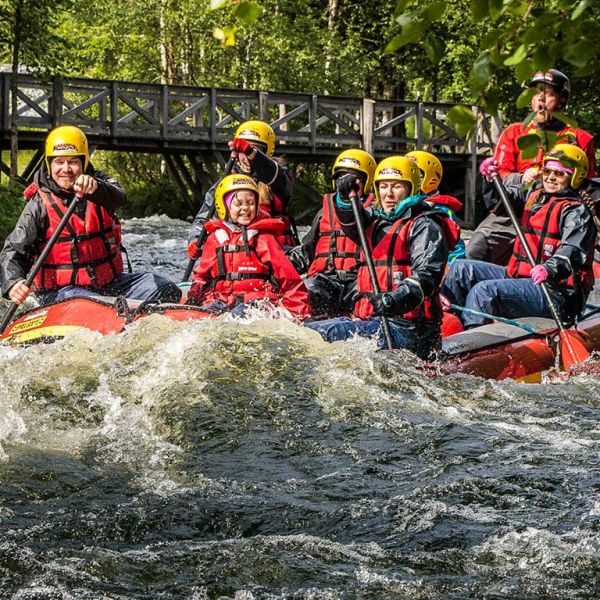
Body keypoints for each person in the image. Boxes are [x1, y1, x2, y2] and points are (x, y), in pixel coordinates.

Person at [0, 125, 181, 306]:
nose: (66, 169)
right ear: (49, 164)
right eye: (59, 162)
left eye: (73, 162)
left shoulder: (101, 186)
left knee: (166, 288)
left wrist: (96, 188)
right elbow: (13, 249)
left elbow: (119, 198)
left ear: (84, 162)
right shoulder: (38, 204)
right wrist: (13, 282)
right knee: (86, 303)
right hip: (63, 293)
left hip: (111, 285)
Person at [304, 156, 460, 359]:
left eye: (396, 186)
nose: (389, 194)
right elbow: (351, 220)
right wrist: (343, 197)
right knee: (306, 329)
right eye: (384, 187)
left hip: (411, 330)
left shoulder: (424, 225)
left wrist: (394, 299)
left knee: (325, 333)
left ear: (411, 188)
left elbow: (427, 275)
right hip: (376, 323)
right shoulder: (375, 221)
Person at [441, 144, 595, 328]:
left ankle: (469, 346)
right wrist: (490, 180)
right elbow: (499, 203)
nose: (551, 178)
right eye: (547, 171)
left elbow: (573, 251)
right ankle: (445, 328)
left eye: (559, 173)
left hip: (557, 292)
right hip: (520, 277)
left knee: (483, 291)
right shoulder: (535, 194)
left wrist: (549, 269)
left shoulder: (576, 211)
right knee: (461, 269)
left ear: (575, 176)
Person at [468, 68, 597, 265]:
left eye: (549, 94)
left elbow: (588, 187)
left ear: (562, 101)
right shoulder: (513, 132)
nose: (541, 100)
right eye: (537, 93)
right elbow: (501, 174)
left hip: (559, 212)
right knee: (475, 247)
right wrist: (521, 178)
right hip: (515, 211)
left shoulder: (581, 139)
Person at [186, 174, 310, 319]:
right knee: (208, 316)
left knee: (236, 316)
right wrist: (192, 301)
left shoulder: (263, 238)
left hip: (256, 304)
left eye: (250, 203)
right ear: (224, 206)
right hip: (221, 301)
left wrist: (300, 313)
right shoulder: (216, 239)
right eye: (238, 204)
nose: (245, 208)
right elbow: (201, 277)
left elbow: (288, 278)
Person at [187, 120, 296, 262]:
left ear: (267, 151)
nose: (245, 158)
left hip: (275, 252)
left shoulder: (279, 176)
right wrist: (195, 240)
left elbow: (276, 176)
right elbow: (205, 217)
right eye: (242, 151)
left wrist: (253, 153)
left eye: (255, 149)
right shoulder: (227, 181)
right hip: (237, 253)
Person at [287, 148, 376, 316]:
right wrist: (282, 265)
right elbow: (308, 249)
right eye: (341, 178)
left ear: (367, 181)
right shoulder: (325, 211)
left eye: (353, 179)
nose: (346, 183)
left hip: (358, 280)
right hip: (326, 278)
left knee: (370, 303)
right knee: (306, 291)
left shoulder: (375, 211)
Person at [406, 150, 466, 262]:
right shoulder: (397, 207)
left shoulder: (440, 210)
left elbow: (456, 247)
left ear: (430, 179)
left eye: (416, 176)